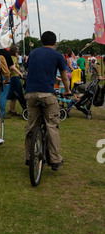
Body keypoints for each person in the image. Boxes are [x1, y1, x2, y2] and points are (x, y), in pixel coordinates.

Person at [25, 31, 71, 171]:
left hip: (31, 93)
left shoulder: (33, 53)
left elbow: (29, 69)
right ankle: (55, 159)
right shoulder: (58, 55)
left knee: (31, 125)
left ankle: (29, 156)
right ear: (55, 42)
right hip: (47, 94)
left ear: (41, 41)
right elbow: (64, 77)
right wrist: (68, 91)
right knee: (52, 125)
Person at [7, 44, 24, 117]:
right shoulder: (13, 58)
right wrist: (20, 73)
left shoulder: (10, 57)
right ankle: (24, 107)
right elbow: (12, 66)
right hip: (15, 77)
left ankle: (12, 110)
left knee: (13, 96)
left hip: (12, 77)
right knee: (19, 94)